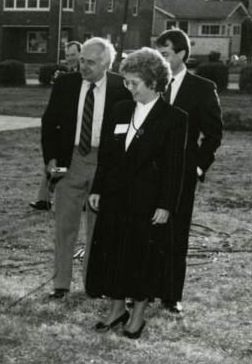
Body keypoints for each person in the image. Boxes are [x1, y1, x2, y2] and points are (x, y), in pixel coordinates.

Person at [87, 48, 188, 338]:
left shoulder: (173, 118)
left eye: (134, 83)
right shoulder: (120, 110)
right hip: (116, 198)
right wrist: (98, 188)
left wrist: (166, 204)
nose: (128, 88)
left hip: (147, 202)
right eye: (127, 82)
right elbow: (107, 155)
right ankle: (117, 309)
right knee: (115, 254)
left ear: (154, 83)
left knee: (140, 258)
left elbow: (174, 167)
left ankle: (139, 315)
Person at [41, 37, 129, 300]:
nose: (83, 66)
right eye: (81, 60)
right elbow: (49, 122)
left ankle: (93, 284)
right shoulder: (65, 84)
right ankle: (61, 284)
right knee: (65, 224)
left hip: (105, 162)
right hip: (72, 160)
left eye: (90, 62)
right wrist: (52, 158)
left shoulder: (120, 88)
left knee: (98, 226)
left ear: (106, 64)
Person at [154, 29, 223, 314]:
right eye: (158, 53)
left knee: (176, 233)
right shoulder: (149, 83)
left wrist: (197, 166)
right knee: (145, 231)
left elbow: (213, 134)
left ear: (182, 54)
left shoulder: (202, 88)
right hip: (149, 172)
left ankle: (171, 294)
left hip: (182, 174)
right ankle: (139, 289)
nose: (161, 59)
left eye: (166, 54)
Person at [31, 41, 82, 211]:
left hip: (79, 129)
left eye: (73, 55)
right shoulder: (65, 77)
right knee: (54, 162)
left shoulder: (85, 76)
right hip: (63, 128)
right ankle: (44, 198)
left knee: (65, 165)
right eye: (67, 55)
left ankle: (55, 195)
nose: (69, 59)